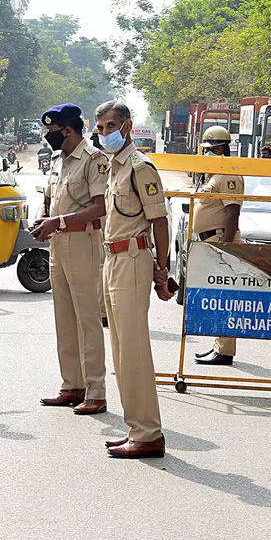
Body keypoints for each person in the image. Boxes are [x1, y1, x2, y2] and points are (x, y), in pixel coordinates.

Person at [94, 100, 172, 458]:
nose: (105, 133)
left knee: (134, 350)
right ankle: (136, 428)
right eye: (101, 128)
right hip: (113, 258)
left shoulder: (140, 167)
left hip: (133, 258)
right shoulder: (113, 168)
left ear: (127, 127)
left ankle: (148, 432)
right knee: (121, 350)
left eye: (111, 126)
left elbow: (159, 220)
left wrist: (162, 270)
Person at [31, 103, 109, 415]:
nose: (48, 138)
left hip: (83, 243)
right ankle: (71, 385)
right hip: (58, 246)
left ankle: (96, 390)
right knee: (64, 319)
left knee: (87, 320)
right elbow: (49, 200)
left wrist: (58, 221)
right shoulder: (56, 159)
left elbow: (101, 207)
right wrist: (42, 219)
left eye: (52, 132)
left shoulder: (94, 160)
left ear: (67, 130)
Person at [189, 125, 243, 366]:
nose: (208, 153)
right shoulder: (212, 174)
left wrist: (226, 246)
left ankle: (224, 351)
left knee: (223, 296)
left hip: (221, 240)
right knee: (215, 296)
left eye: (213, 149)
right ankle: (219, 346)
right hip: (210, 241)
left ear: (223, 148)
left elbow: (233, 212)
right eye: (207, 149)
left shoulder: (228, 174)